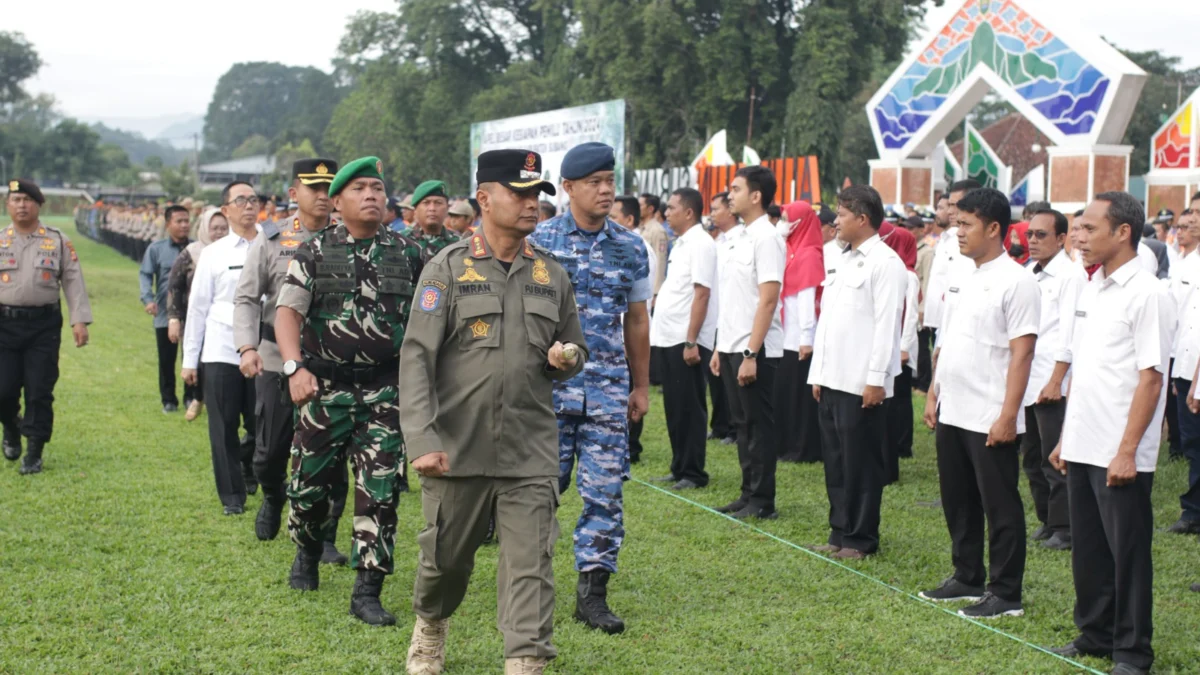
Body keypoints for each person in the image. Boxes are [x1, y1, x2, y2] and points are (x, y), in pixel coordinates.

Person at [399, 149, 586, 675]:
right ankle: (431, 626)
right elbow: (416, 359)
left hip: (530, 448)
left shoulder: (551, 275)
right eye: (519, 193)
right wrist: (422, 439)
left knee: (531, 564)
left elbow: (574, 346)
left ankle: (526, 660)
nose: (531, 205)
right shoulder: (447, 269)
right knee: (446, 561)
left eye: (536, 195)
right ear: (484, 198)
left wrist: (566, 358)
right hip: (457, 447)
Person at [273, 157, 424, 626]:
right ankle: (307, 548)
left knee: (379, 492)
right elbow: (287, 315)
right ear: (338, 202)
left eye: (377, 187)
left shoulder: (410, 253)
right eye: (360, 188)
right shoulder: (314, 252)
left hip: (385, 392)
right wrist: (295, 367)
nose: (372, 195)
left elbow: (430, 321)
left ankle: (367, 590)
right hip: (324, 391)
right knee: (307, 489)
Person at [1045, 192, 1175, 675]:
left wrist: (1127, 451)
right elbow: (1086, 368)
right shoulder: (1091, 287)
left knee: (1128, 554)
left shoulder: (1149, 293)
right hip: (1083, 441)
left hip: (1121, 451)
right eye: (1077, 228)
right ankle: (1095, 634)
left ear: (1123, 232)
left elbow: (1150, 378)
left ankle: (1132, 652)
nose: (1079, 238)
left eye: (1090, 229)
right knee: (1091, 550)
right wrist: (1065, 438)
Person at [530, 142, 651, 635]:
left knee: (604, 495)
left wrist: (641, 386)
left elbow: (637, 321)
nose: (606, 190)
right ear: (569, 188)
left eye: (610, 180)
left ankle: (592, 596)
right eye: (595, 182)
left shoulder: (630, 246)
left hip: (605, 393)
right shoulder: (539, 241)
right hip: (547, 394)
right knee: (538, 493)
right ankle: (528, 587)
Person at [920, 187, 1039, 619]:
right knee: (958, 498)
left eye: (966, 224)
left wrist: (1009, 415)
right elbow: (946, 341)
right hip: (954, 404)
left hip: (991, 410)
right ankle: (966, 575)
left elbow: (1022, 353)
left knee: (999, 504)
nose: (958, 233)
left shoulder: (1018, 280)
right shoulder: (964, 274)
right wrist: (935, 389)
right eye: (956, 224)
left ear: (994, 228)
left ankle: (1005, 593)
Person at [233, 159, 351, 562]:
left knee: (332, 455)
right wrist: (247, 347)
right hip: (274, 359)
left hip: (330, 360)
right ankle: (271, 494)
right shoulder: (271, 239)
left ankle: (327, 534)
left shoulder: (349, 240)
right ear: (294, 193)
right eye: (313, 188)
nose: (322, 195)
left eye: (328, 188)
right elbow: (248, 297)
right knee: (269, 449)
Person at [808, 185, 905, 559]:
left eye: (842, 214)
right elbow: (829, 321)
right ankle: (839, 531)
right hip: (833, 376)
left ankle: (861, 538)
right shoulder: (839, 258)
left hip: (861, 381)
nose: (834, 221)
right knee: (835, 460)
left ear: (863, 219)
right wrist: (818, 374)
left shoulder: (886, 263)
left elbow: (886, 327)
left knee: (862, 463)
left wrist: (877, 380)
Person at [708, 165, 785, 520]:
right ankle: (747, 493)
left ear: (756, 196)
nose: (730, 195)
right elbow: (732, 299)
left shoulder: (767, 237)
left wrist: (751, 352)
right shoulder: (738, 237)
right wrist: (719, 348)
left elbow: (767, 299)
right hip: (731, 345)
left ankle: (762, 500)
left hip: (755, 348)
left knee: (758, 426)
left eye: (736, 189)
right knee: (742, 425)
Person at [0, 179, 92, 475]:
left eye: (28, 199)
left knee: (39, 390)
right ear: (8, 205)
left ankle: (34, 450)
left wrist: (80, 320)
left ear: (39, 204)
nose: (22, 205)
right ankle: (12, 427)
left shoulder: (57, 240)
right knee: (3, 390)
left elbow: (73, 280)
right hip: (4, 325)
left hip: (43, 326)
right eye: (16, 199)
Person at [182, 183, 261, 513]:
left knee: (264, 427)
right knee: (223, 426)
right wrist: (190, 360)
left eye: (253, 200)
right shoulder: (214, 253)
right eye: (240, 201)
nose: (248, 206)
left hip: (263, 351)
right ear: (226, 210)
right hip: (220, 352)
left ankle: (249, 463)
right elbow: (197, 308)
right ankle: (232, 497)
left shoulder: (271, 246)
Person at [1018, 208, 1085, 552]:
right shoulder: (1030, 273)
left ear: (1061, 239)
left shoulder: (1071, 276)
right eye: (1029, 234)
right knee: (1031, 455)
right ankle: (1047, 519)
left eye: (1041, 235)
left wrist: (1057, 380)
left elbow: (1070, 335)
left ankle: (1066, 527)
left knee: (1054, 455)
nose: (1032, 241)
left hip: (1051, 379)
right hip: (1028, 379)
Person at [648, 188, 717, 489]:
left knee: (689, 407)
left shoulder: (701, 243)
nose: (667, 213)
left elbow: (702, 293)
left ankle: (693, 472)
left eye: (672, 208)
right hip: (668, 336)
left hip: (684, 338)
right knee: (675, 406)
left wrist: (691, 340)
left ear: (689, 212)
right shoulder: (683, 243)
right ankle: (679, 466)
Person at [167, 208, 229, 421]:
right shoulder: (193, 252)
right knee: (195, 359)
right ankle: (196, 397)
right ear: (204, 229)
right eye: (215, 229)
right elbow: (174, 285)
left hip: (223, 320)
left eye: (223, 228)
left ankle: (209, 399)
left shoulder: (236, 251)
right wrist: (174, 317)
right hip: (195, 317)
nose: (219, 233)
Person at [775, 201, 824, 464]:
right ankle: (787, 444)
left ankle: (802, 448)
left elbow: (807, 302)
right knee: (786, 394)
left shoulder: (809, 253)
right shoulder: (791, 250)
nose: (784, 222)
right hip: (785, 336)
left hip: (799, 340)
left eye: (787, 218)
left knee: (799, 398)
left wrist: (807, 338)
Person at [609, 196, 655, 465]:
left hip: (632, 332)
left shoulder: (637, 248)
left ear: (629, 220)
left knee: (631, 397)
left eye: (616, 216)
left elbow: (638, 308)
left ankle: (632, 445)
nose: (611, 220)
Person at [140, 205, 194, 413]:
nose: (184, 225)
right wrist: (148, 299)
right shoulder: (156, 249)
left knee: (191, 355)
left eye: (186, 221)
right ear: (168, 223)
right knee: (166, 358)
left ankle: (191, 395)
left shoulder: (197, 248)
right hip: (164, 312)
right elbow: (145, 274)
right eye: (179, 221)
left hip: (191, 311)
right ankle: (169, 399)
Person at [922, 180, 982, 352]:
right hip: (939, 320)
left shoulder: (970, 241)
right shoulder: (946, 239)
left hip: (956, 326)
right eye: (948, 205)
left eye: (954, 205)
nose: (949, 211)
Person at [1169, 210, 1200, 535]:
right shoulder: (1183, 264)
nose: (1185, 230)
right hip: (1185, 364)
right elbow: (1178, 321)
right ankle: (1193, 511)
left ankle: (1193, 511)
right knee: (1193, 441)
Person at [882, 218, 920, 476]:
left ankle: (901, 443)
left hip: (901, 346)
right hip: (892, 344)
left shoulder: (908, 274)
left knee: (900, 398)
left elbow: (911, 314)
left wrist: (905, 346)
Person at [705, 192, 737, 445]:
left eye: (716, 209)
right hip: (716, 316)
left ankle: (735, 429)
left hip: (733, 317)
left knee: (731, 379)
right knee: (716, 377)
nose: (712, 213)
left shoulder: (741, 240)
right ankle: (720, 425)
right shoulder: (719, 242)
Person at [403, 180, 460, 258]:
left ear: (447, 209)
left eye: (438, 203)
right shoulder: (401, 240)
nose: (432, 208)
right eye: (426, 203)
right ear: (415, 210)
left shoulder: (458, 243)